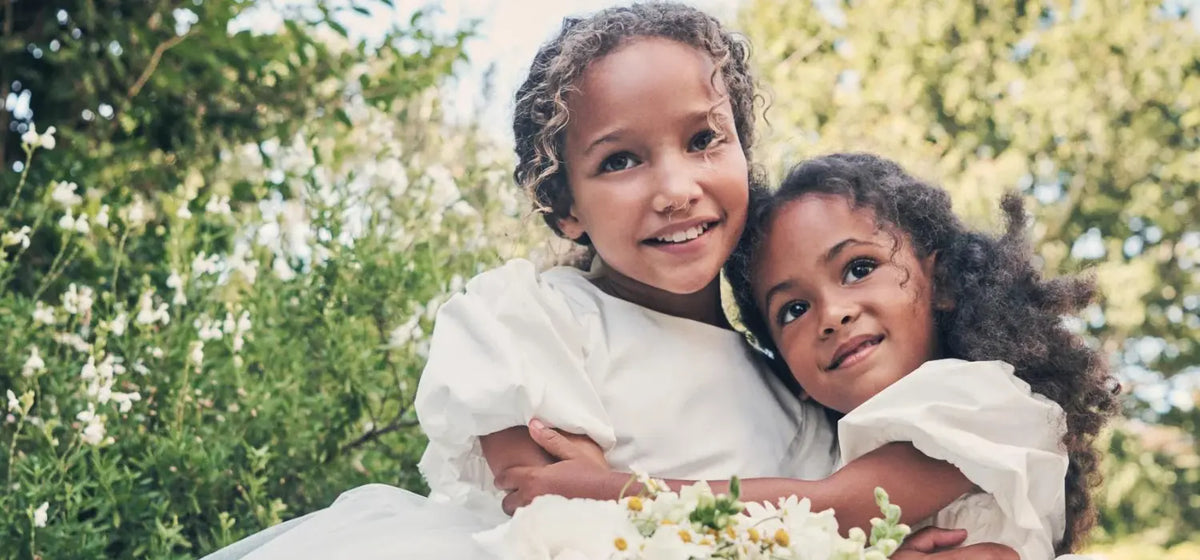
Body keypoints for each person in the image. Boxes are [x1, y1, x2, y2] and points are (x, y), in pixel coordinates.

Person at [202, 5, 1013, 558]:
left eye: (703, 140)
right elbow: (551, 514)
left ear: (742, 153)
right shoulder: (528, 321)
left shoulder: (790, 398)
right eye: (620, 160)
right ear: (565, 209)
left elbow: (801, 524)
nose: (674, 187)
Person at [500, 153, 1119, 559]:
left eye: (858, 268)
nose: (832, 313)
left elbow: (834, 510)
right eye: (792, 310)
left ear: (946, 282)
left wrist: (608, 489)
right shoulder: (842, 445)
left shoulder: (983, 399)